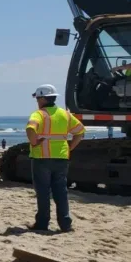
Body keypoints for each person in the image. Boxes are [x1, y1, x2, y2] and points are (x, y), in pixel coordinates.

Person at [25, 84, 85, 232]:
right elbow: (80, 132)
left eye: (38, 98)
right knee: (61, 192)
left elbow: (30, 128)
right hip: (61, 158)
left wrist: (34, 142)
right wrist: (70, 148)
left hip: (42, 159)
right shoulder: (65, 114)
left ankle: (42, 223)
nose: (37, 101)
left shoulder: (39, 114)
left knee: (43, 192)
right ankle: (65, 224)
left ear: (43, 99)